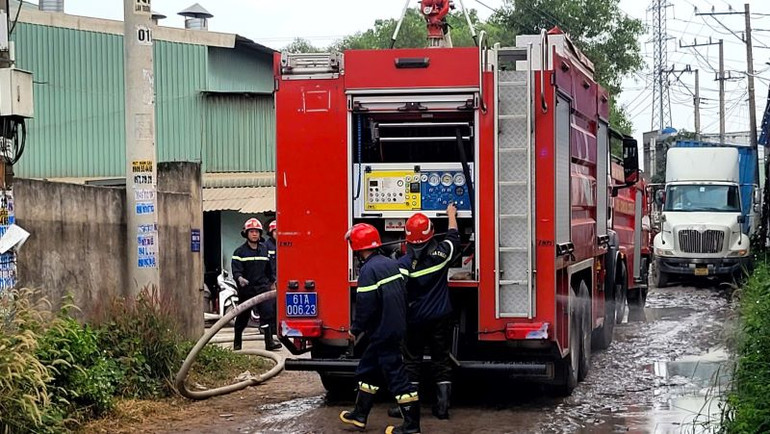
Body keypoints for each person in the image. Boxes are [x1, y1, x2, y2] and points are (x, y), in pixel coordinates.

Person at [339, 223, 421, 434]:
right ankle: (359, 415)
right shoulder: (389, 264)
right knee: (368, 370)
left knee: (398, 379)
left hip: (383, 333)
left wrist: (355, 329)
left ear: (356, 247)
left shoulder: (368, 270)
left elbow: (366, 306)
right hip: (392, 329)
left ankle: (411, 427)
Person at [393, 203, 460, 420]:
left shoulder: (402, 265)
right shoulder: (442, 255)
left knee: (411, 362)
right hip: (441, 318)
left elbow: (397, 292)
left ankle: (409, 409)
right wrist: (451, 214)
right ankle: (442, 408)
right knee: (441, 361)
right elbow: (453, 236)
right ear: (431, 235)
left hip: (414, 321)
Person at [231, 218, 282, 352]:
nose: (254, 234)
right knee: (243, 316)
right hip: (246, 290)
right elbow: (236, 270)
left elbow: (269, 269)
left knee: (267, 314)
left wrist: (272, 282)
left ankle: (269, 342)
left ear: (260, 234)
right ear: (246, 233)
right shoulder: (239, 252)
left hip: (262, 288)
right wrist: (240, 278)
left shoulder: (264, 250)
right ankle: (237, 343)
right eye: (251, 231)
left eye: (256, 232)